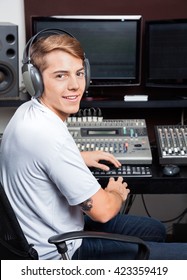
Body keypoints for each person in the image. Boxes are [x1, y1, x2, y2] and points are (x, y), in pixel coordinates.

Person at [0, 30, 187, 260]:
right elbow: (104, 212)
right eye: (60, 76)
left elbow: (42, 159)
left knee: (155, 230)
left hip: (43, 234)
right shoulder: (50, 137)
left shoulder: (26, 113)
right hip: (59, 254)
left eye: (79, 73)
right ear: (34, 80)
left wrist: (79, 156)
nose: (75, 85)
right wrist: (115, 193)